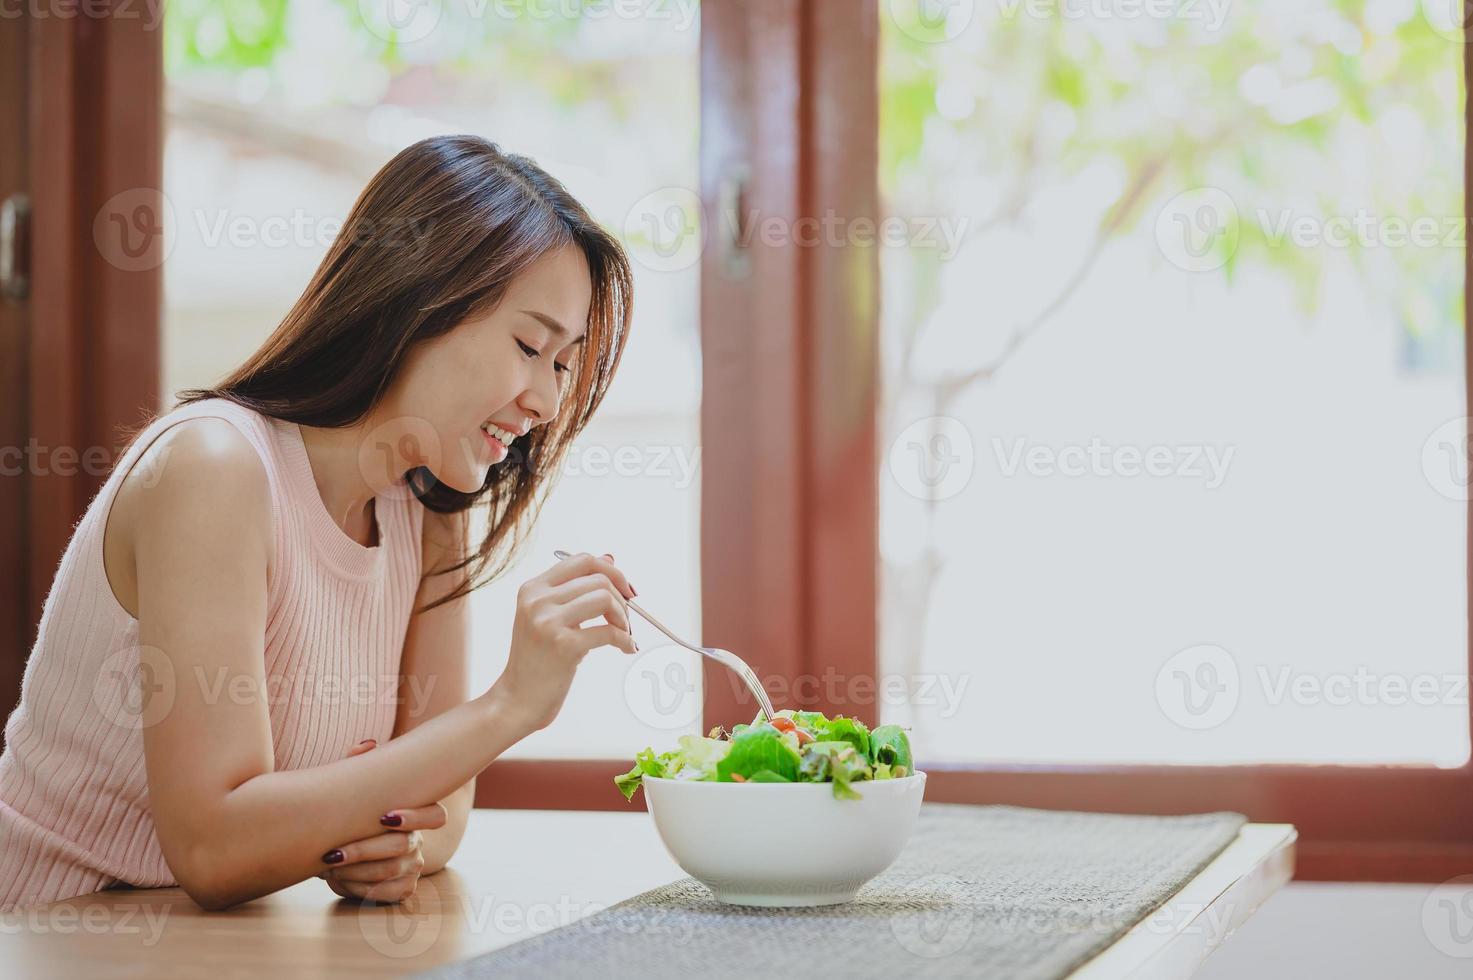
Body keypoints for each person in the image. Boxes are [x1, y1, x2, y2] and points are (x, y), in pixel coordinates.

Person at [0, 134, 639, 911]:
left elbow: (442, 820)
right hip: (47, 933)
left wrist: (387, 845)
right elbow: (214, 847)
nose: (544, 401)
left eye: (563, 365)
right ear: (412, 301)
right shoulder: (213, 470)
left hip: (221, 949)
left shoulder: (428, 512)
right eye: (529, 346)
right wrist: (512, 704)